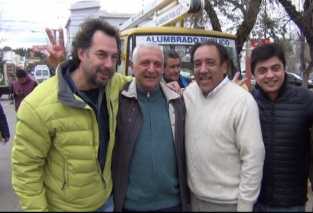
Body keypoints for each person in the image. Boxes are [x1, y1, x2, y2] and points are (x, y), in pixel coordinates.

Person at [11, 18, 130, 211]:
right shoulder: (37, 106)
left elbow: (142, 80)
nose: (109, 64)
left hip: (106, 202)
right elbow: (26, 172)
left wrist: (173, 86)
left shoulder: (113, 84)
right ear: (81, 53)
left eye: (114, 57)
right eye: (101, 54)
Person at [183, 41, 265, 212]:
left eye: (210, 63)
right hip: (194, 199)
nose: (203, 69)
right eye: (197, 64)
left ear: (224, 67)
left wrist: (245, 206)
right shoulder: (189, 94)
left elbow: (253, 157)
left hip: (229, 204)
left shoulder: (242, 102)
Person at [112, 44, 189, 212]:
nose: (151, 69)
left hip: (173, 204)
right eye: (145, 63)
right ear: (132, 67)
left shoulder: (177, 102)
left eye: (157, 64)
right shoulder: (118, 100)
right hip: (131, 205)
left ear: (163, 69)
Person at [250, 43, 313, 212]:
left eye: (275, 68)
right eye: (262, 70)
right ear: (254, 74)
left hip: (292, 203)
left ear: (284, 68)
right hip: (255, 201)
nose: (270, 75)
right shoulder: (247, 102)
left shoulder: (305, 99)